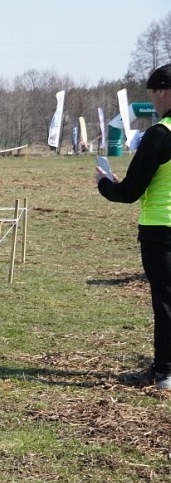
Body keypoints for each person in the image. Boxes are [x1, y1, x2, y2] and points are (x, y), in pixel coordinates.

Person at [97, 63, 171, 391]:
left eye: (154, 93)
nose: (152, 99)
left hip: (162, 230)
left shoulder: (160, 135)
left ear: (164, 92)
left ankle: (164, 373)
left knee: (166, 302)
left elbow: (129, 192)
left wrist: (104, 183)